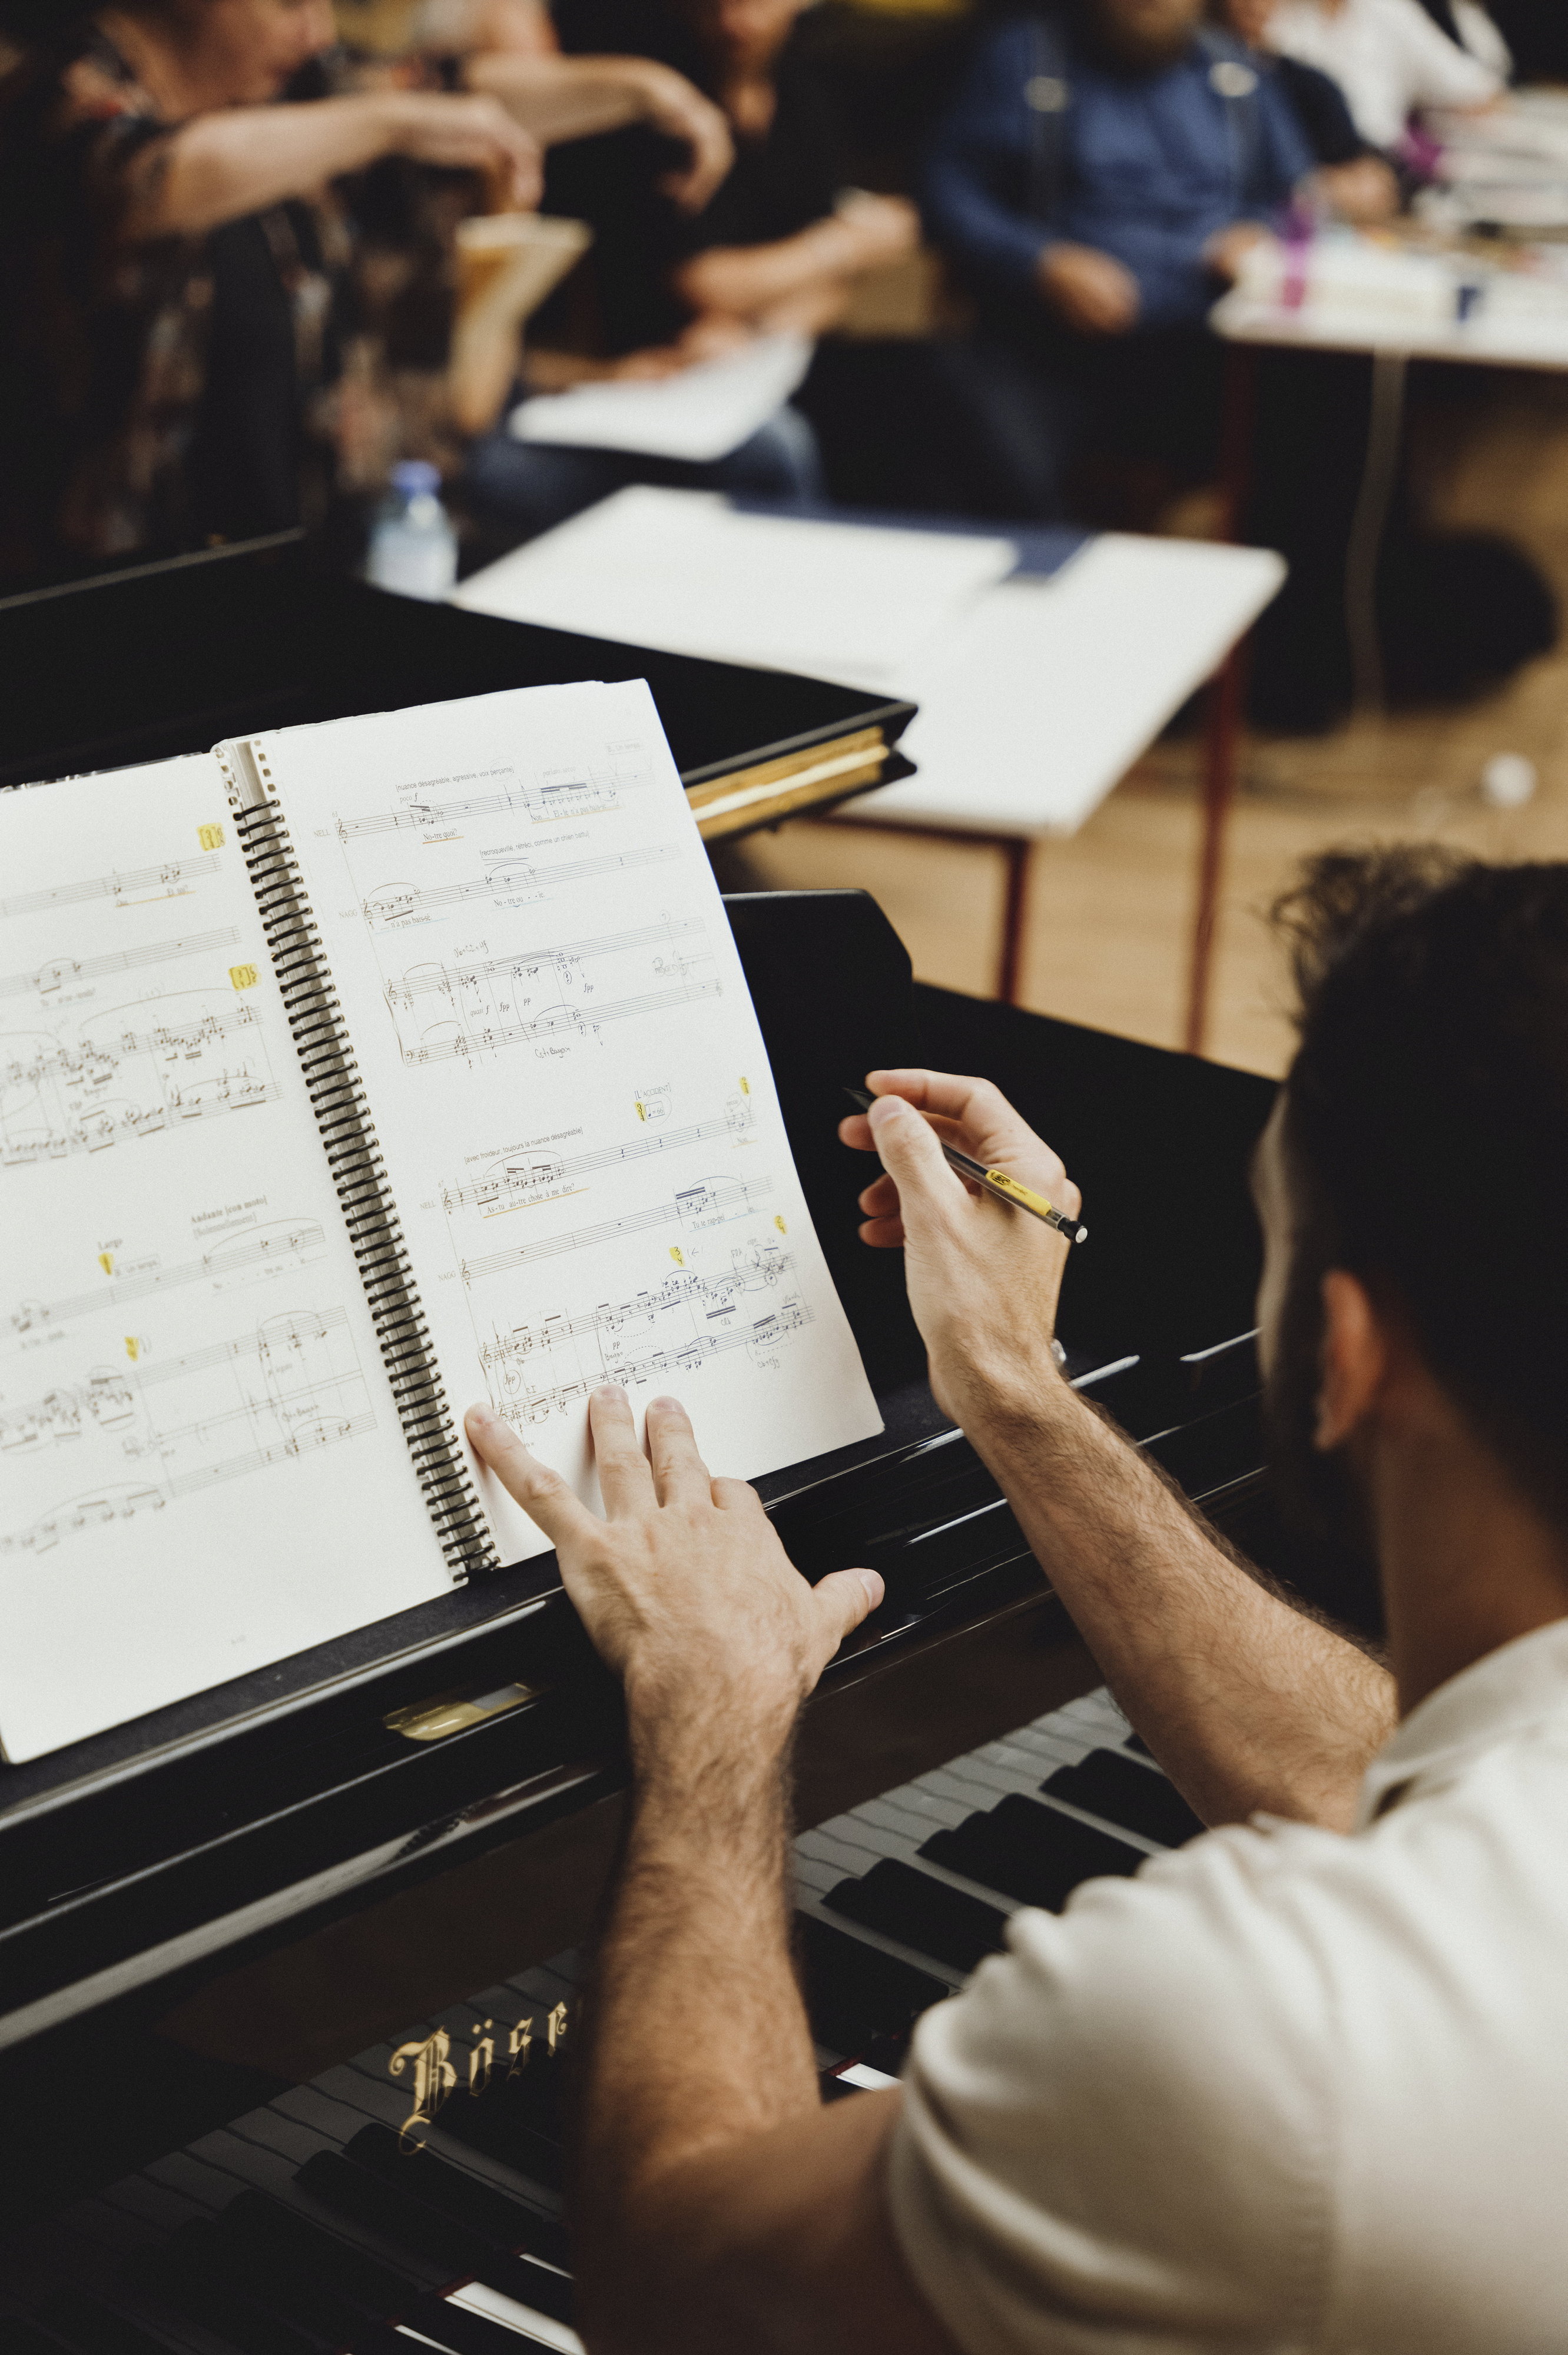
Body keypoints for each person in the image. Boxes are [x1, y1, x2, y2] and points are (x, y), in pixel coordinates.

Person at [466, 845, 1568, 2353]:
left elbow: (677, 2287)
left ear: (1345, 1353)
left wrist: (715, 1720)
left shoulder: (1255, 2031)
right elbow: (1382, 1788)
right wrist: (1011, 1388)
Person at [0, 0, 541, 584]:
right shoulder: (53, 93)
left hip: (308, 570)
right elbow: (142, 179)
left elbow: (462, 97)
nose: (317, 31)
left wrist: (645, 91)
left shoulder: (291, 91)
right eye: (289, 4)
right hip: (115, 596)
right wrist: (388, 124)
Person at [459, 0, 918, 542]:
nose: (542, 51)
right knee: (774, 450)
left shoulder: (805, 99)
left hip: (695, 381)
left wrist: (754, 328)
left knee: (885, 405)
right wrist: (845, 244)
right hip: (555, 410)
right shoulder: (474, 174)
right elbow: (469, 408)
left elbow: (835, 290)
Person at [921, 0, 1318, 520]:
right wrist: (1040, 261)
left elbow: (1295, 196)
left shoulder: (1233, 73)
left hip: (1204, 345)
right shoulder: (1027, 57)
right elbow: (948, 191)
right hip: (1047, 342)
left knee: (1314, 441)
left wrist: (1255, 236)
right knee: (1002, 473)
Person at [1215, 0, 1401, 218]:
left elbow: (1369, 183)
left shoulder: (1309, 86)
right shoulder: (1184, 76)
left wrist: (1326, 187)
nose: (1254, 5)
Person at [1265, 0, 1501, 155]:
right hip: (1297, 168)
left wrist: (1423, 121)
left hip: (1377, 164)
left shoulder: (1389, 11)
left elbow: (1480, 90)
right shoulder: (1272, 15)